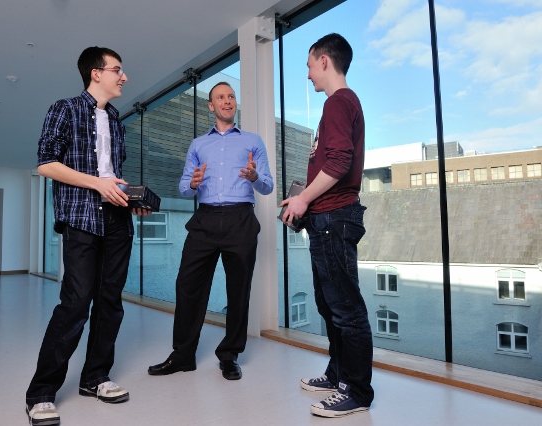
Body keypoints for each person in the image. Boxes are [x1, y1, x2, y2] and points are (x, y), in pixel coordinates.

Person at [26, 46, 150, 426]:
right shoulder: (64, 109)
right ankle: (42, 393)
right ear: (96, 73)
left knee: (110, 302)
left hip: (117, 220)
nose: (123, 77)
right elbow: (46, 163)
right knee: (76, 303)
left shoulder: (116, 119)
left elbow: (112, 173)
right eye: (118, 70)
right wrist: (98, 185)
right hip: (81, 218)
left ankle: (95, 377)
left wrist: (128, 198)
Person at [148, 82, 273, 381]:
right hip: (204, 220)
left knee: (238, 290)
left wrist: (255, 176)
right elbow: (183, 188)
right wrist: (193, 182)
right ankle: (182, 356)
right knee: (187, 285)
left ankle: (229, 356)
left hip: (240, 219)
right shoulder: (197, 145)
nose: (227, 101)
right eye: (220, 97)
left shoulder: (253, 141)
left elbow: (267, 186)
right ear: (211, 106)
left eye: (231, 97)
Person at [280, 33, 374, 418]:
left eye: (307, 65)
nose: (307, 75)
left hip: (335, 217)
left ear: (323, 60)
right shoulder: (341, 104)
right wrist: (306, 203)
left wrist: (303, 198)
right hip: (327, 218)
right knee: (328, 303)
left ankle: (357, 391)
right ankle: (339, 375)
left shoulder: (339, 102)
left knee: (346, 308)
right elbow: (334, 161)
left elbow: (337, 162)